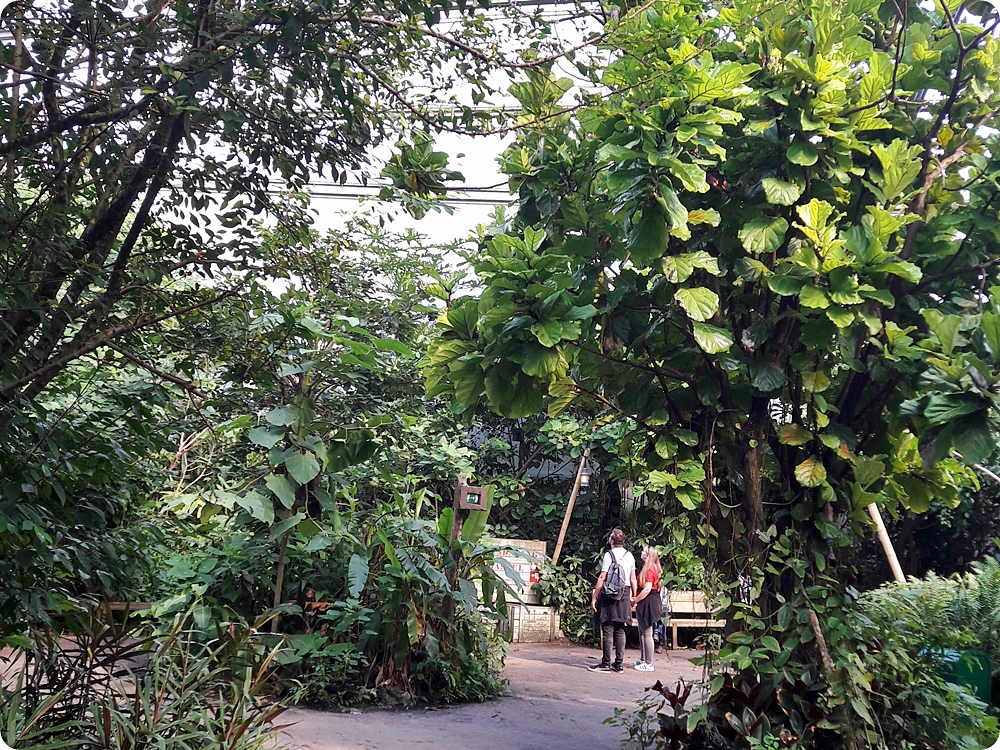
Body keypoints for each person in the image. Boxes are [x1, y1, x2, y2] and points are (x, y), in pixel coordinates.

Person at [588, 529, 637, 673]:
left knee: (608, 628)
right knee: (620, 629)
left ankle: (605, 663)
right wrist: (633, 597)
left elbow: (602, 577)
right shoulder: (630, 556)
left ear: (611, 541)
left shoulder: (609, 555)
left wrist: (595, 597)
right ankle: (619, 664)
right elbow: (633, 578)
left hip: (610, 593)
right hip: (625, 593)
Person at [632, 545, 663, 671]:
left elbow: (647, 589)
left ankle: (649, 663)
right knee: (642, 631)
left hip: (649, 601)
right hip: (646, 601)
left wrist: (635, 600)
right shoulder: (649, 568)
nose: (642, 552)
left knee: (647, 633)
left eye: (644, 551)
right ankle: (643, 659)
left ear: (648, 555)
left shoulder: (650, 569)